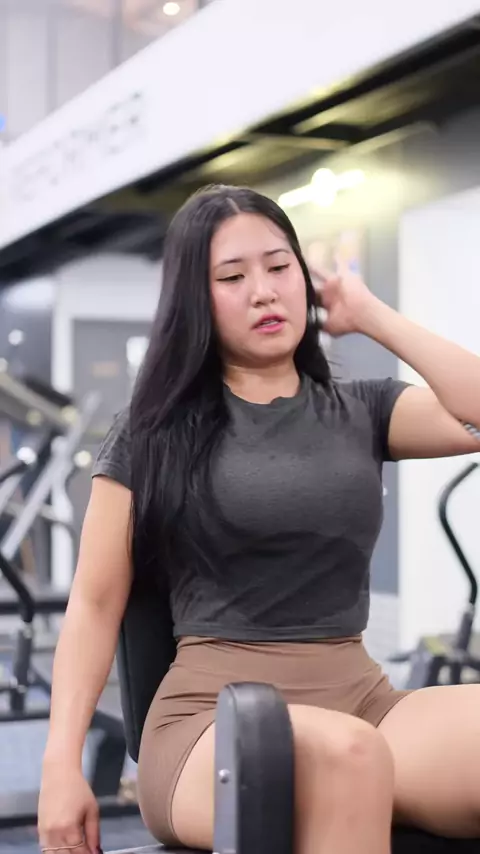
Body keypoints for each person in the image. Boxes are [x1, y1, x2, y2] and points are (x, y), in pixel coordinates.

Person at [38, 184, 480, 854]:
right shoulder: (153, 433)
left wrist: (370, 315)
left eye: (279, 267)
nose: (264, 292)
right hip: (217, 723)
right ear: (196, 299)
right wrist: (59, 765)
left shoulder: (363, 411)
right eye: (232, 277)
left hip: (364, 701)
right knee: (348, 756)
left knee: (364, 745)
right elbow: (95, 604)